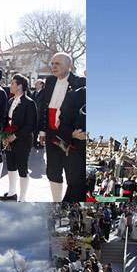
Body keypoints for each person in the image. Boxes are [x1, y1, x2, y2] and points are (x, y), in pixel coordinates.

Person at [38, 53, 86, 201]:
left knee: (70, 170)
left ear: (69, 65)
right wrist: (42, 131)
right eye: (52, 63)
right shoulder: (50, 80)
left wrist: (73, 133)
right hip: (52, 133)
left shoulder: (79, 82)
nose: (54, 66)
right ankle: (56, 200)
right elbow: (44, 107)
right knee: (53, 169)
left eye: (57, 63)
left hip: (68, 136)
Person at [0, 74, 37, 202]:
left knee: (22, 168)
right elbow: (6, 119)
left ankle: (22, 197)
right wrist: (4, 136)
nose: (10, 86)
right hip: (9, 139)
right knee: (10, 166)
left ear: (20, 86)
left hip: (22, 140)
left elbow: (31, 125)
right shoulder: (11, 101)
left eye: (12, 84)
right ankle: (11, 192)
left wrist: (15, 135)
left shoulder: (29, 103)